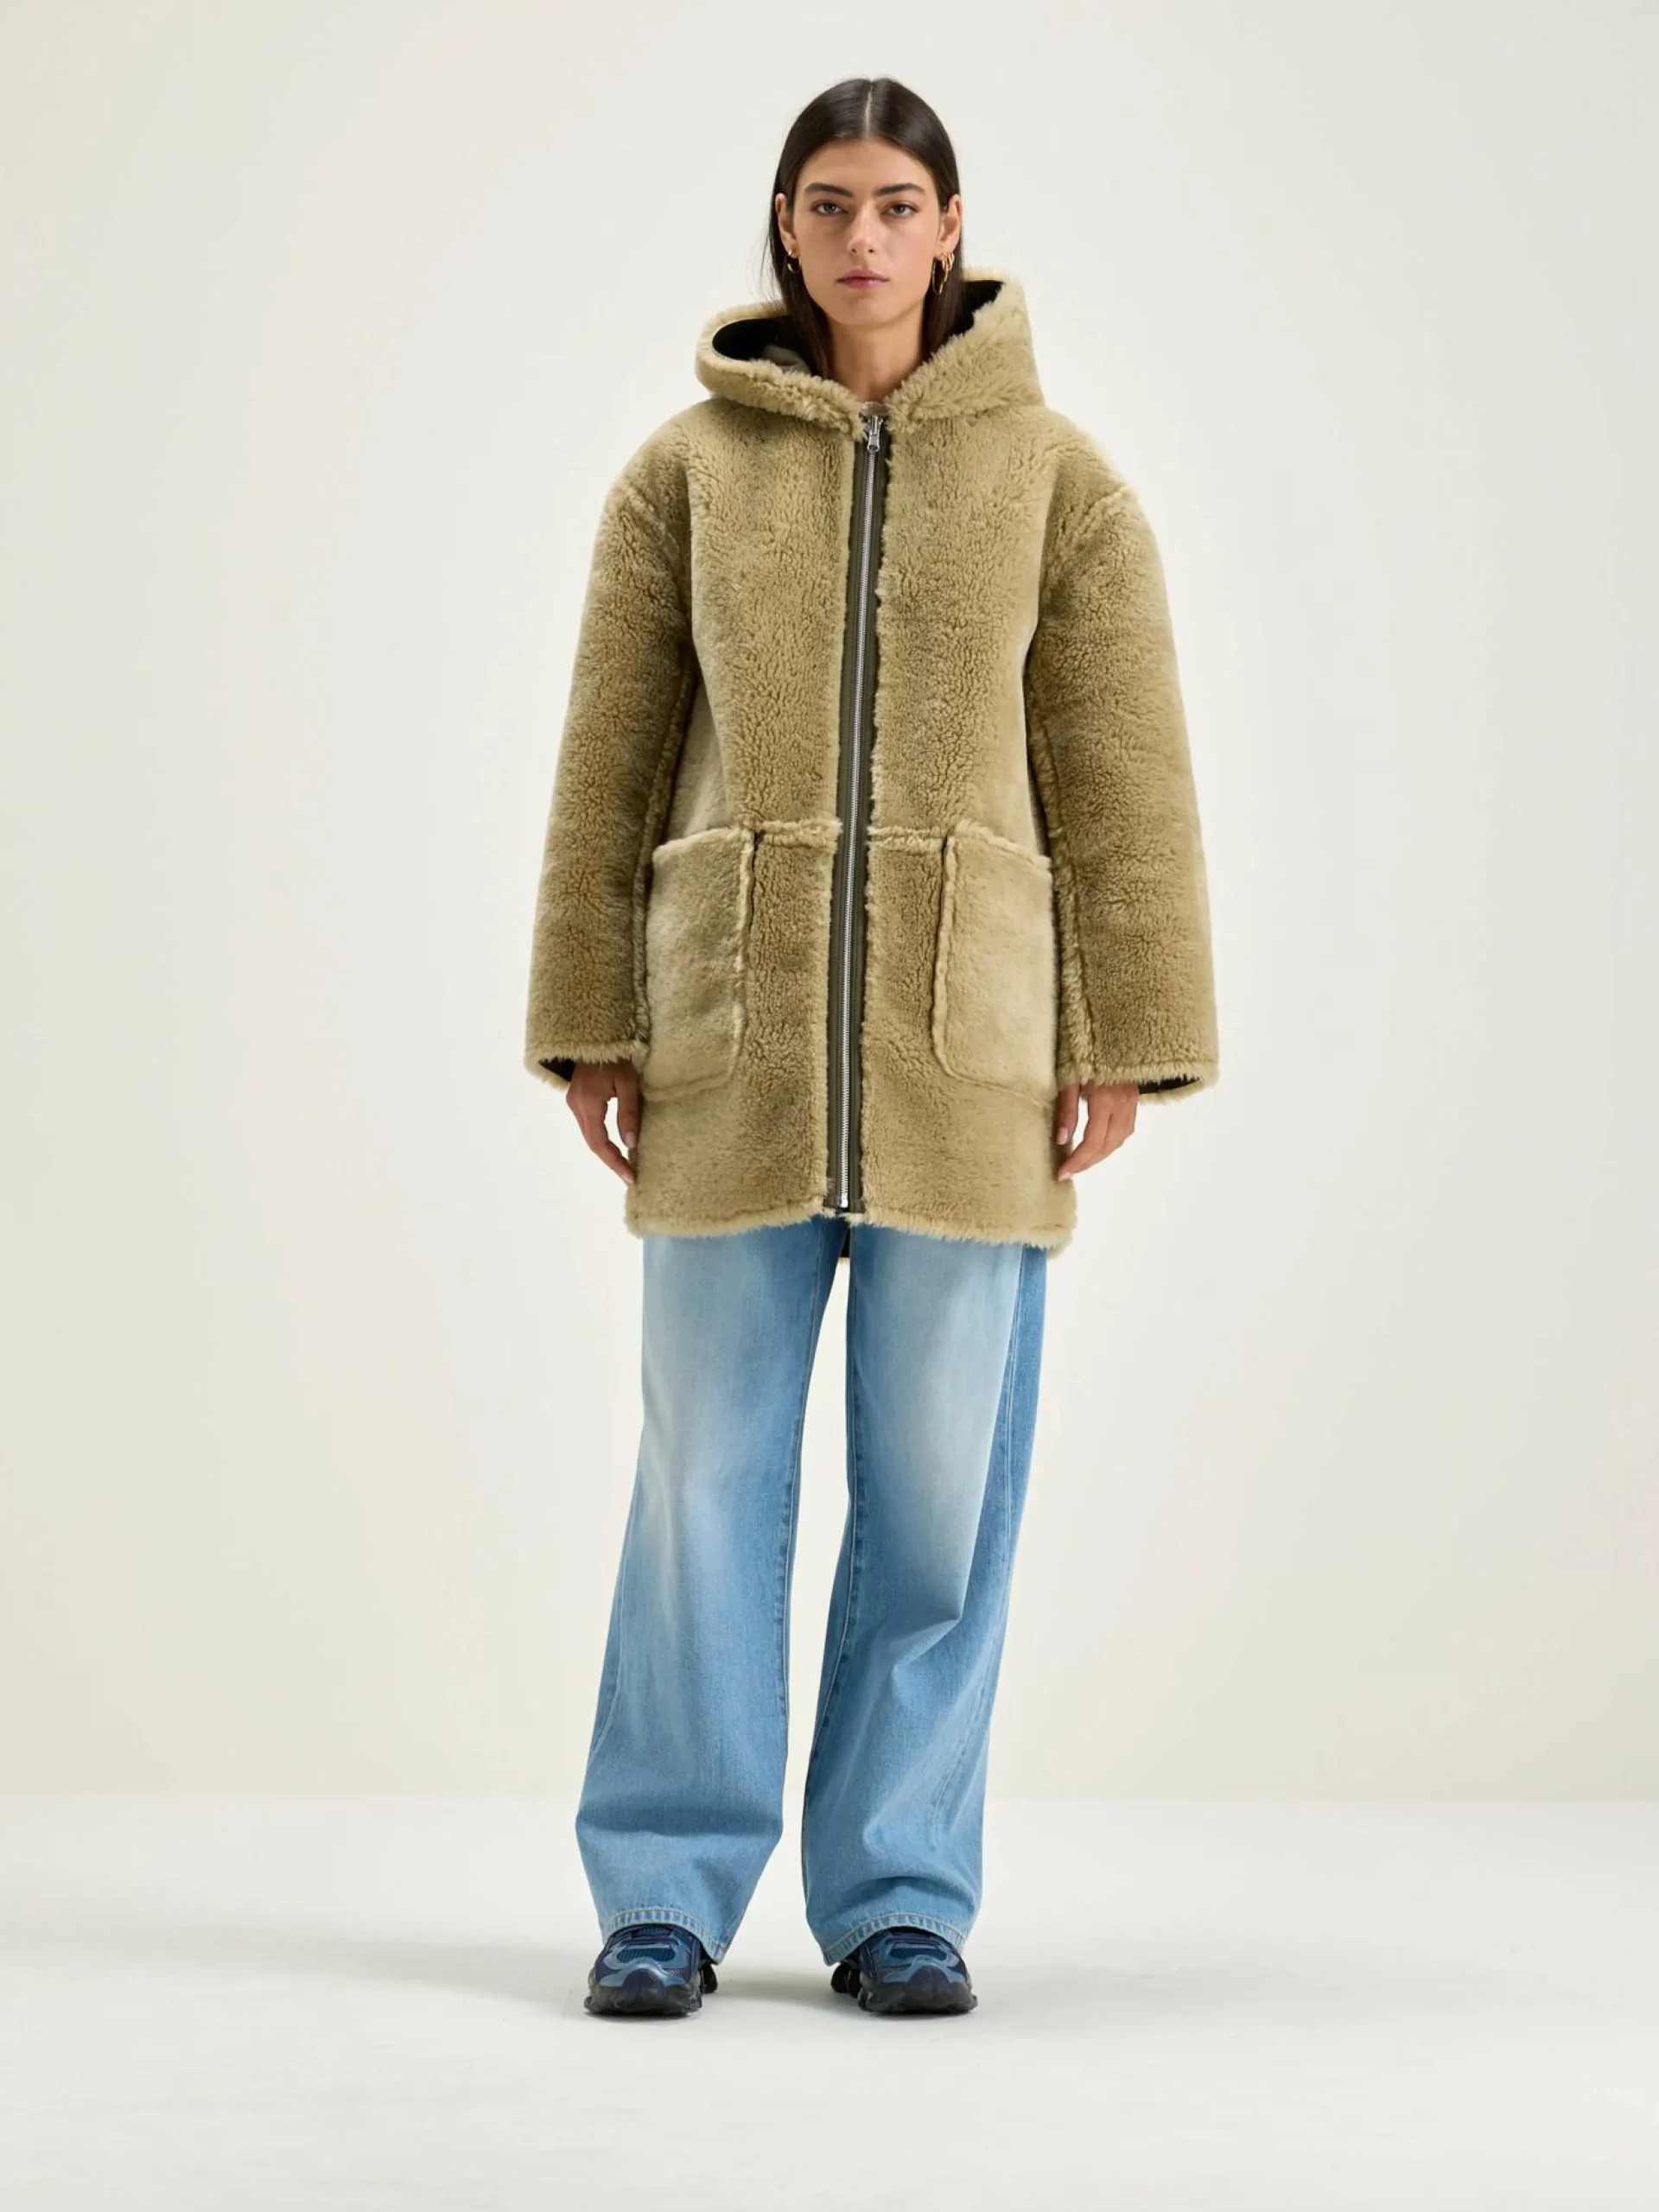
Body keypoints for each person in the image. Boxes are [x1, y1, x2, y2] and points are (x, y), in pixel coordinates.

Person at [522, 77, 1219, 2019]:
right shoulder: (684, 474)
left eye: (897, 203)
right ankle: (664, 1891)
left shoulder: (1061, 483)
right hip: (726, 1050)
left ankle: (901, 1890)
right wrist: (589, 1013)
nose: (862, 237)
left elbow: (1125, 783)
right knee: (701, 1489)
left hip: (968, 1059)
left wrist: (1126, 1035)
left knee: (939, 1499)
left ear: (951, 225)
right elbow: (608, 765)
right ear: (786, 225)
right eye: (828, 203)